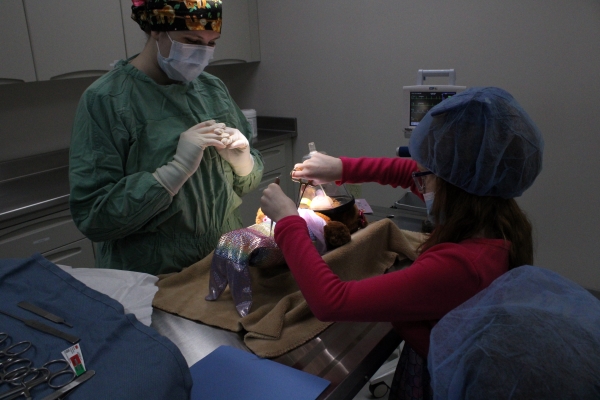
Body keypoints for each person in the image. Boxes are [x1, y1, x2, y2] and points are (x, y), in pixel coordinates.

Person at [260, 87, 543, 399]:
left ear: (452, 182)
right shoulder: (493, 212)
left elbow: (331, 301)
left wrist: (288, 222)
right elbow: (411, 172)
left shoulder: (462, 266)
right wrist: (339, 167)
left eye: (427, 176)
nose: (418, 182)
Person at [69, 0, 264, 275]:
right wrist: (173, 173)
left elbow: (244, 183)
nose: (202, 53)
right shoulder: (107, 100)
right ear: (156, 31)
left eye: (211, 43)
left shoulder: (212, 90)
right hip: (152, 274)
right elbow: (95, 217)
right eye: (192, 40)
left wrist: (243, 163)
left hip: (225, 257)